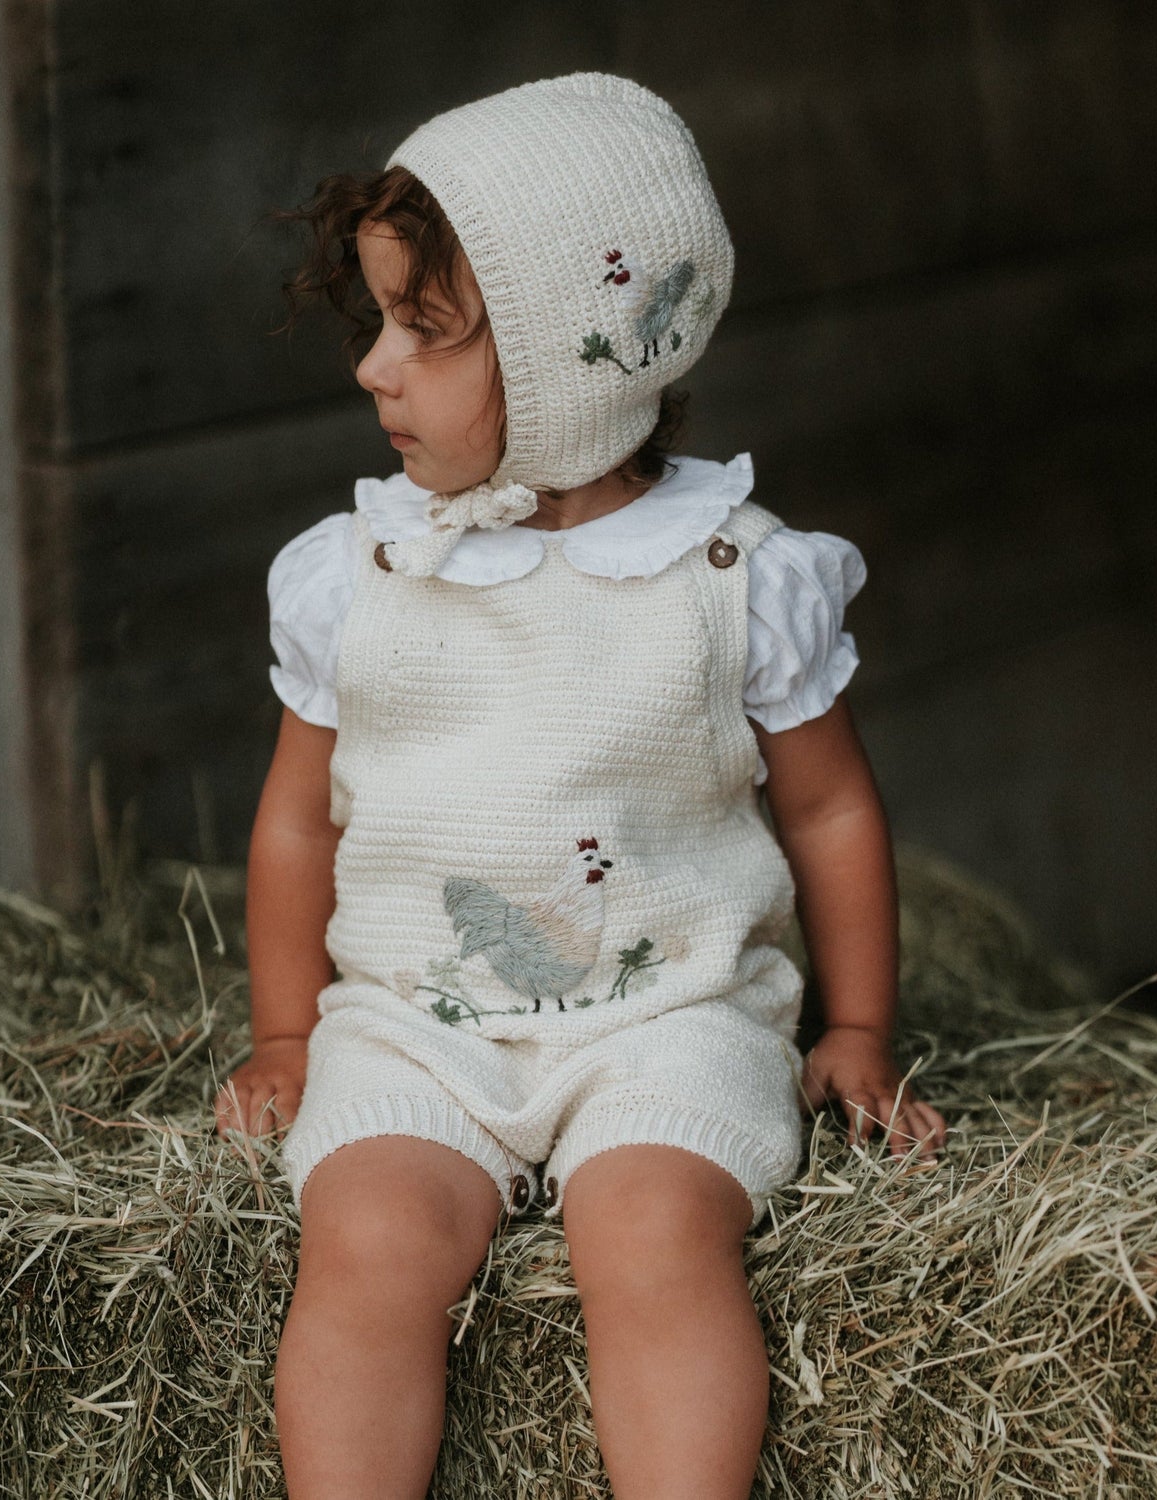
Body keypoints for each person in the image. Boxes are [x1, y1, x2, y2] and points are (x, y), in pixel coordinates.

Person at [214, 72, 947, 1500]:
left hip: (669, 1015)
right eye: (376, 323)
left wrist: (858, 1021)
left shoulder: (733, 573)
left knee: (654, 1234)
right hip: (418, 1027)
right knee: (366, 1238)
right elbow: (302, 816)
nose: (373, 367)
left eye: (423, 332)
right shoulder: (359, 574)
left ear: (571, 362)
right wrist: (285, 1032)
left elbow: (831, 808)